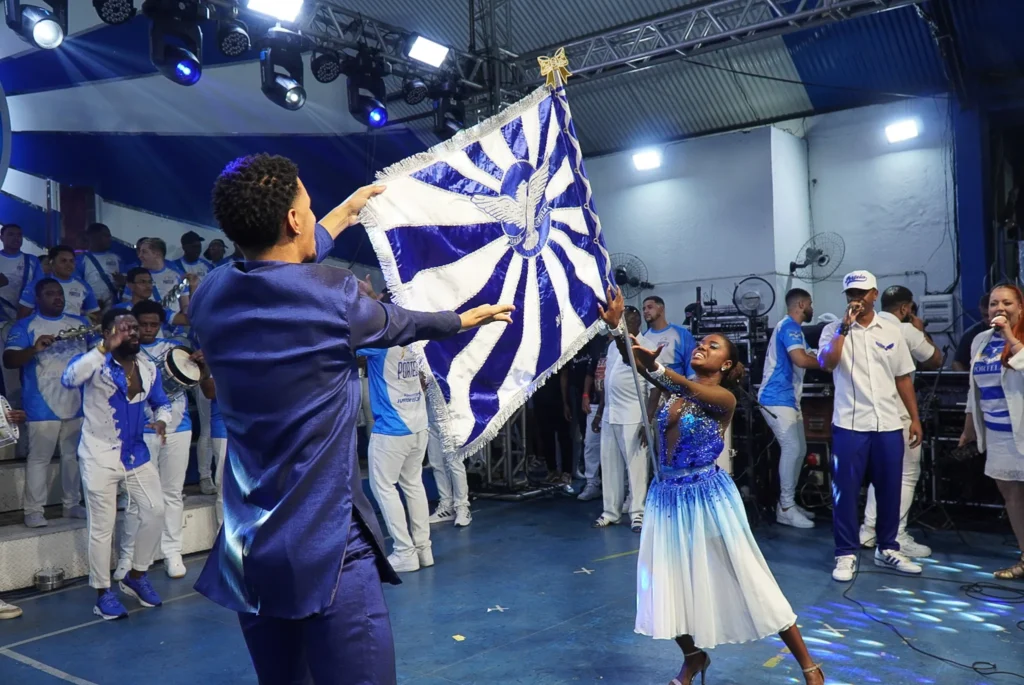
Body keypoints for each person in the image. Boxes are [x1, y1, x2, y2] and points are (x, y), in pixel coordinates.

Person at [189, 153, 514, 684]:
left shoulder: (209, 296)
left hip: (249, 547)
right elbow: (400, 322)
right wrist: (458, 319)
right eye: (308, 207)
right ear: (294, 221)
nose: (314, 216)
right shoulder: (334, 297)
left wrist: (343, 212)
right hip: (328, 543)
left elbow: (278, 267)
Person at [597, 286, 825, 685]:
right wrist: (617, 329)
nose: (702, 347)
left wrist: (654, 368)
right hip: (666, 496)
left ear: (727, 362)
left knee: (747, 577)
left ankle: (808, 663)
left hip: (708, 496)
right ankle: (693, 656)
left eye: (713, 345)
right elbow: (638, 364)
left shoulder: (722, 397)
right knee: (664, 585)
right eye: (701, 342)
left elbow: (669, 379)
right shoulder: (671, 385)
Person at [62, 309, 171, 619]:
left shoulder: (148, 367)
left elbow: (161, 403)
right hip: (99, 454)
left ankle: (136, 576)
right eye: (124, 328)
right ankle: (102, 593)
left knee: (155, 511)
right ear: (108, 332)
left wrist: (162, 421)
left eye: (134, 327)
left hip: (136, 454)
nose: (132, 332)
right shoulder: (94, 364)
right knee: (102, 527)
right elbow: (69, 378)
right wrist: (103, 349)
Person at [818, 271, 923, 582]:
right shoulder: (833, 330)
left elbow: (903, 377)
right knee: (845, 492)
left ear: (874, 294)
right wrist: (843, 328)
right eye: (852, 293)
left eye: (863, 292)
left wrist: (914, 418)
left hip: (889, 422)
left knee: (890, 488)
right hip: (850, 423)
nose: (857, 298)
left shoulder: (891, 331)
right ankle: (845, 553)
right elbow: (827, 362)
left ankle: (887, 547)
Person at [113, 300, 197, 581]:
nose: (149, 329)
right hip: (138, 433)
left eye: (154, 324)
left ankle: (172, 552)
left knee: (172, 494)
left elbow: (199, 379)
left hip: (178, 428)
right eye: (143, 324)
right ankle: (129, 556)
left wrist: (201, 363)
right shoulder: (124, 350)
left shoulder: (175, 346)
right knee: (135, 500)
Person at [860, 286, 942, 557]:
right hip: (900, 413)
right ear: (905, 309)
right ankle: (897, 534)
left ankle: (869, 530)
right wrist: (920, 329)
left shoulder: (868, 326)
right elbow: (935, 359)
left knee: (880, 475)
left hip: (870, 415)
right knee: (907, 475)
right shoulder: (905, 330)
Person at [3, 279, 90, 528]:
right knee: (39, 458)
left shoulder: (81, 324)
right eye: (50, 294)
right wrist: (34, 348)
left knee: (73, 455)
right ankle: (33, 510)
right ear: (38, 299)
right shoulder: (25, 325)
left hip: (77, 400)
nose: (57, 297)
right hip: (41, 403)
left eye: (59, 293)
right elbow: (9, 359)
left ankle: (71, 504)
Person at [359, 291, 433, 572]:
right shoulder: (415, 338)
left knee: (385, 488)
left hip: (392, 428)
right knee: (413, 485)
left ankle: (404, 552)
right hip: (418, 424)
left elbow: (346, 345)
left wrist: (365, 298)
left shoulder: (379, 341)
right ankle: (424, 550)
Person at [960, 284, 1024, 579]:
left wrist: (1011, 337)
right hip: (999, 435)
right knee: (1012, 495)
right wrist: (969, 429)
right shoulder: (980, 341)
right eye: (994, 303)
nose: (999, 308)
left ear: (1020, 308)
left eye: (1007, 303)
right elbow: (974, 391)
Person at [758, 288, 819, 528]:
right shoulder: (789, 327)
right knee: (792, 447)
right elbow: (802, 360)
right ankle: (785, 507)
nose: (812, 307)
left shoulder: (793, 330)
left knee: (800, 449)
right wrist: (828, 363)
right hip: (775, 397)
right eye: (811, 303)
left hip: (788, 399)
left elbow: (807, 354)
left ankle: (789, 503)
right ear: (802, 304)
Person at [593, 305, 650, 533]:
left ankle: (638, 514)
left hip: (633, 415)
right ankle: (611, 512)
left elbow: (655, 389)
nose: (616, 324)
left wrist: (649, 421)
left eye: (621, 321)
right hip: (610, 415)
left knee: (636, 468)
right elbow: (607, 382)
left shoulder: (647, 347)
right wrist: (599, 412)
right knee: (610, 465)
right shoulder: (612, 348)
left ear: (634, 323)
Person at [19, 245, 100, 323]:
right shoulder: (37, 284)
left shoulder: (83, 286)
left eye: (71, 261)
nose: (69, 265)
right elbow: (22, 316)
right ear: (51, 262)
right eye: (63, 261)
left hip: (73, 333)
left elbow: (94, 315)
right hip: (43, 333)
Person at [76, 223, 124, 310]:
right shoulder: (81, 260)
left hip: (114, 308)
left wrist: (123, 282)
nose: (109, 239)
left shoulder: (117, 259)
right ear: (92, 237)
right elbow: (77, 285)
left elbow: (126, 284)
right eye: (106, 236)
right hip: (91, 309)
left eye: (110, 236)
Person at [0, 224, 42, 322]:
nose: (16, 238)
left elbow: (40, 286)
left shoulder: (32, 260)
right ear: (1, 237)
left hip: (26, 314)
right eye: (11, 234)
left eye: (19, 235)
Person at [953, 293, 992, 371]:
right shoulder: (971, 334)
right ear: (980, 309)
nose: (989, 319)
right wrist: (964, 380)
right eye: (985, 315)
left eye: (992, 315)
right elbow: (957, 363)